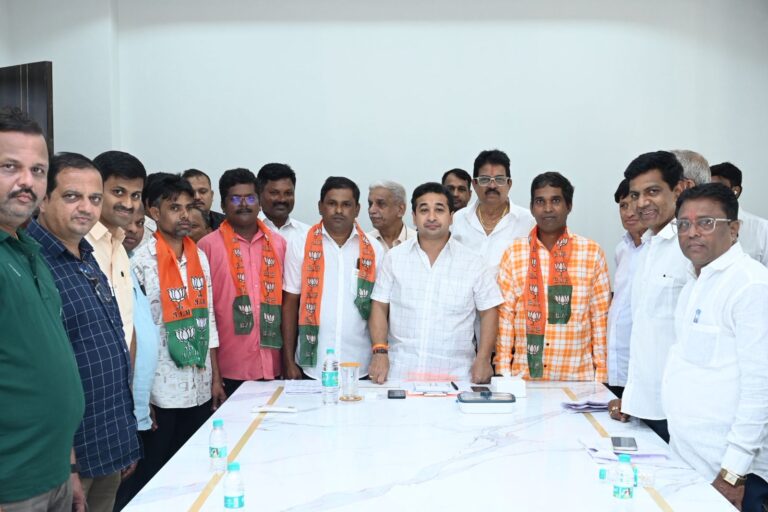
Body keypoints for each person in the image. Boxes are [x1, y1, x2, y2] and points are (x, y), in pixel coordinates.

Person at [26, 152, 140, 512]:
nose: (86, 208)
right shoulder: (32, 263)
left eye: (94, 198)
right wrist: (68, 463)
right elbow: (38, 376)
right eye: (72, 196)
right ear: (44, 199)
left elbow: (109, 346)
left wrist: (123, 437)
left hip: (106, 441)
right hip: (67, 459)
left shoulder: (87, 255)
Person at [662, 183, 768, 512]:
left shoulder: (750, 285)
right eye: (683, 224)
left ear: (734, 230)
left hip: (731, 474)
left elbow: (760, 388)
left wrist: (733, 473)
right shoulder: (694, 281)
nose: (692, 232)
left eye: (706, 223)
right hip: (688, 459)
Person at [0, 108, 86, 512]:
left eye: (37, 170)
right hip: (13, 486)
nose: (26, 181)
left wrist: (68, 466)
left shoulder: (28, 251)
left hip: (53, 473)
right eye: (9, 167)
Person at [130, 174, 224, 485]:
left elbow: (208, 317)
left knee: (195, 469)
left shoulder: (199, 256)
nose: (184, 215)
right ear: (154, 212)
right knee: (156, 473)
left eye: (188, 207)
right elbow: (135, 332)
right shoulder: (140, 262)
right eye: (174, 208)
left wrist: (216, 377)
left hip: (199, 383)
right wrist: (142, 396)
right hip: (161, 390)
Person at [368, 182, 502, 384]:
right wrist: (379, 351)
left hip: (456, 377)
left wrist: (483, 359)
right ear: (414, 217)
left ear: (451, 216)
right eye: (424, 210)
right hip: (400, 374)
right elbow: (379, 305)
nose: (431, 217)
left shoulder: (474, 262)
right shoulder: (394, 258)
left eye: (439, 210)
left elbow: (489, 311)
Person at [496, 172, 610, 381]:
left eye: (555, 201)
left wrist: (601, 376)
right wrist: (503, 373)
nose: (547, 208)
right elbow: (505, 318)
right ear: (532, 208)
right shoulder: (514, 253)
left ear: (569, 206)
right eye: (540, 201)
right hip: (525, 379)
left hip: (578, 381)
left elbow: (600, 319)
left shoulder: (592, 253)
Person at [608, 151, 687, 443]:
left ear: (678, 190)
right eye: (635, 195)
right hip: (647, 403)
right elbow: (644, 334)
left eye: (652, 191)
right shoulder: (646, 248)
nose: (641, 203)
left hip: (681, 409)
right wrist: (632, 396)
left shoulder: (689, 247)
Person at [282, 177, 384, 380]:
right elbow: (290, 303)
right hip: (311, 366)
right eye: (332, 203)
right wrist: (288, 361)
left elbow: (380, 306)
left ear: (357, 209)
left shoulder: (374, 249)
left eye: (346, 205)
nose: (338, 210)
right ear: (320, 207)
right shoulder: (300, 244)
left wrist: (380, 353)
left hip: (360, 364)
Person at [199, 168, 287, 393]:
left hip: (274, 364)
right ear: (223, 205)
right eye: (235, 199)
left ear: (260, 203)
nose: (244, 204)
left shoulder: (278, 244)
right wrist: (214, 374)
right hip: (229, 368)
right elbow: (204, 312)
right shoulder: (207, 247)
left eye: (250, 198)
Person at [88, 150, 147, 350]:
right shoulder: (79, 245)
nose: (128, 204)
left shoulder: (121, 248)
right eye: (119, 192)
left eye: (135, 195)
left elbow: (127, 323)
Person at [451, 149, 535, 270]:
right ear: (474, 184)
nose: (492, 186)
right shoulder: (458, 219)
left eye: (499, 179)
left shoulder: (528, 222)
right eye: (485, 180)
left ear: (509, 184)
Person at [606, 179, 646, 398]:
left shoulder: (660, 249)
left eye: (634, 204)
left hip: (644, 369)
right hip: (617, 366)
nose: (629, 212)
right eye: (623, 206)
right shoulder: (622, 249)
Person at [710, 162, 768, 266]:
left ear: (735, 191)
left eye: (717, 188)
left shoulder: (762, 229)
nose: (709, 194)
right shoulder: (697, 226)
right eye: (706, 188)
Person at [256, 163, 309, 250]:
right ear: (259, 194)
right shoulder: (246, 231)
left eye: (288, 193)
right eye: (274, 193)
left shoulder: (308, 234)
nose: (282, 199)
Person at [367, 180, 416, 252]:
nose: (372, 210)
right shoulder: (364, 242)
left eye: (381, 204)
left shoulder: (417, 243)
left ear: (400, 209)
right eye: (370, 204)